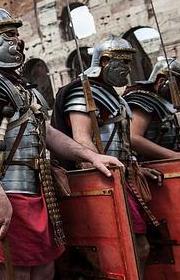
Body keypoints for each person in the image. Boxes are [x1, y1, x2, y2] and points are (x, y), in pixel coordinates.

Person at [0, 8, 124, 280]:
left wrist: (92, 157)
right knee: (18, 275)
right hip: (6, 193)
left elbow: (45, 132)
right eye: (9, 34)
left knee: (46, 271)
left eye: (17, 34)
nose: (18, 41)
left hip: (37, 192)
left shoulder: (19, 85)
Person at [51, 35, 160, 277]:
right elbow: (81, 138)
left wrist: (134, 167)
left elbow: (120, 140)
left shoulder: (112, 95)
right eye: (124, 62)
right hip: (105, 179)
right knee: (127, 248)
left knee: (138, 247)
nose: (128, 69)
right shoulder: (83, 93)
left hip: (123, 176)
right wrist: (101, 171)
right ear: (106, 61)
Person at [123, 58, 180, 160]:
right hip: (150, 166)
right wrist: (174, 156)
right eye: (178, 85)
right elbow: (133, 138)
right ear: (161, 81)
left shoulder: (160, 102)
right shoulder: (143, 100)